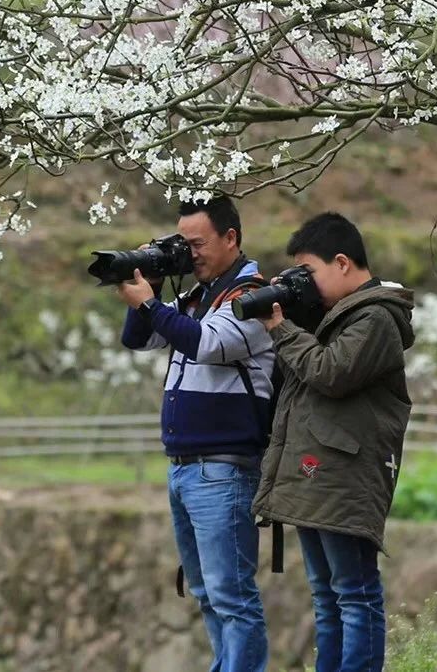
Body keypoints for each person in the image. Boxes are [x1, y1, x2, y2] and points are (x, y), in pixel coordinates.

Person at [249, 212, 415, 672]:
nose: (308, 283)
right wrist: (297, 312)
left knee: (355, 594)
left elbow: (330, 372)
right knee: (327, 598)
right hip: (316, 472)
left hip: (345, 477)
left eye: (310, 273)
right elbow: (297, 377)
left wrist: (282, 328)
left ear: (342, 262)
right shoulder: (334, 317)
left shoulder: (378, 317)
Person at [119, 195, 274, 672]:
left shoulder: (253, 297)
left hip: (223, 468)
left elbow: (206, 343)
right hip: (186, 471)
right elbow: (138, 339)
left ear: (231, 238)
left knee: (233, 596)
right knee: (207, 593)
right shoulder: (197, 296)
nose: (192, 253)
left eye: (197, 244)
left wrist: (151, 303)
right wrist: (154, 282)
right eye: (183, 245)